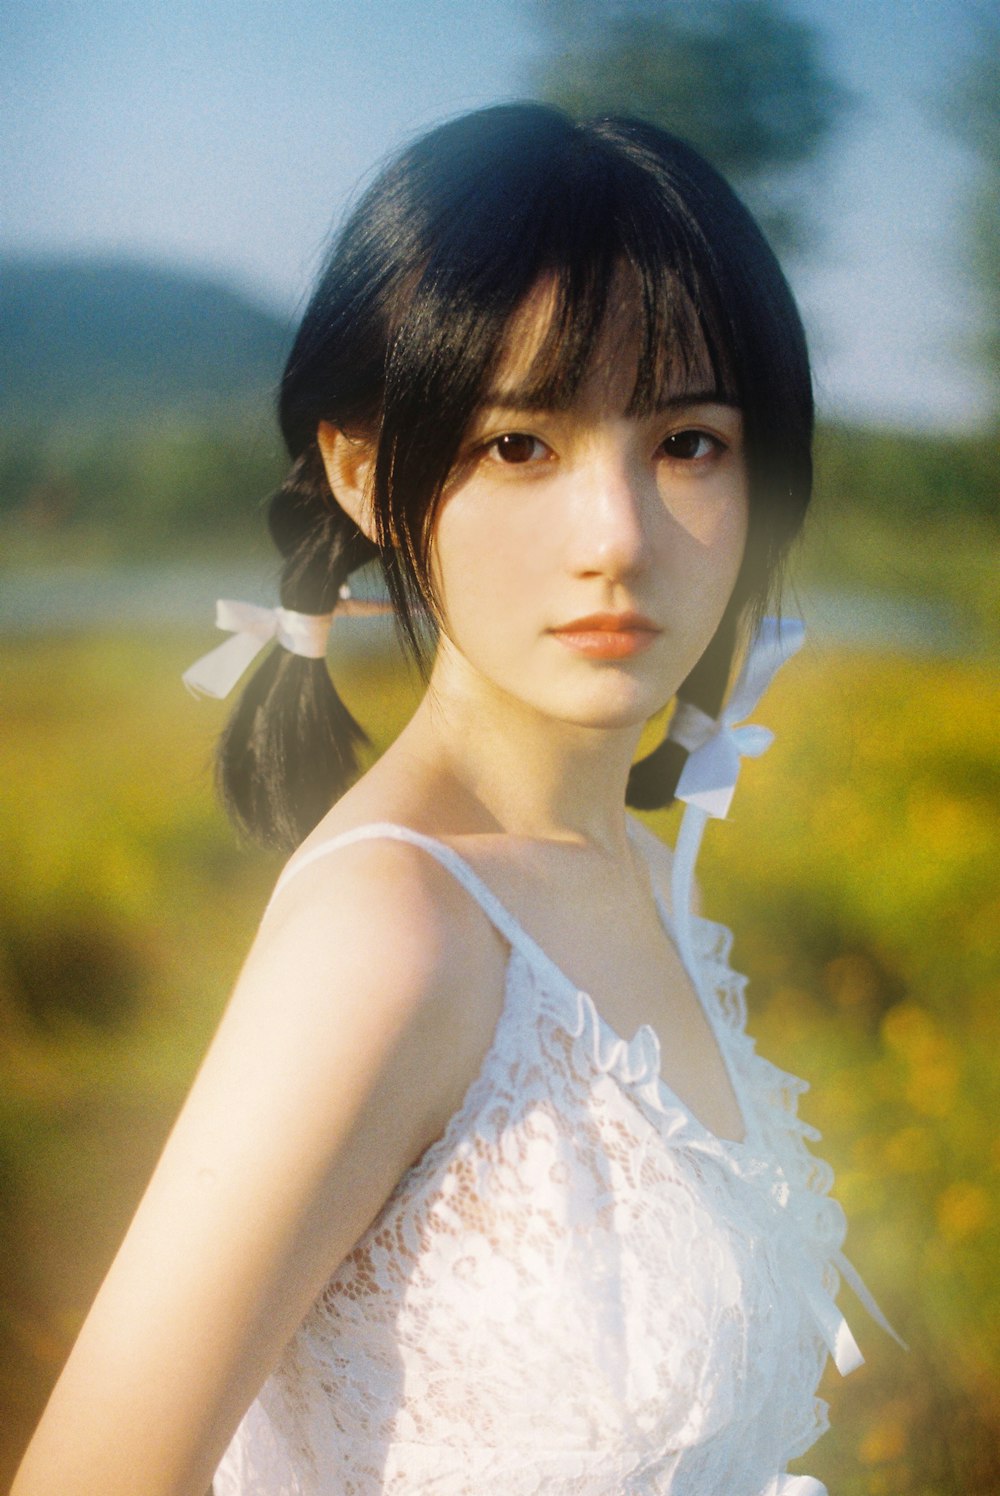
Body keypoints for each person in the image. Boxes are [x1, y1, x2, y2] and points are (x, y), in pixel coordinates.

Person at [12, 103, 900, 1496]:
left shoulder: (625, 861)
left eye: (687, 443)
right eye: (519, 446)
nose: (617, 539)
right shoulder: (397, 925)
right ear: (366, 472)